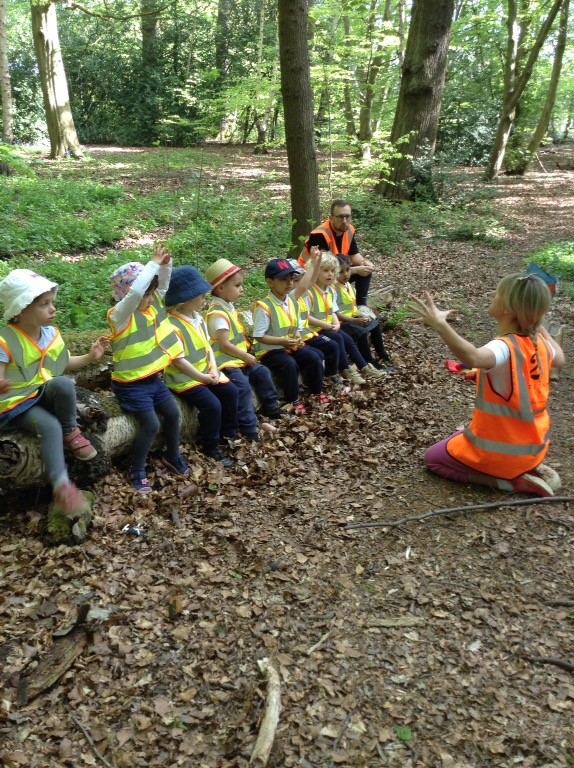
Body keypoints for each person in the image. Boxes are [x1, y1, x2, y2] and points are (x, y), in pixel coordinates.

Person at [409, 273, 565, 496]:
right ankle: (530, 466)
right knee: (461, 433)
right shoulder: (539, 343)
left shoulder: (503, 347)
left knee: (433, 459)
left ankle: (511, 482)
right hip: (533, 445)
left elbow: (474, 357)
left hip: (504, 451)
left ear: (510, 308)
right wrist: (536, 324)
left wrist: (439, 324)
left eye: (498, 293)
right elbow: (559, 358)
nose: (493, 295)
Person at [0, 269, 107, 517]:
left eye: (52, 303)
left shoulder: (50, 334)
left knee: (64, 384)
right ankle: (61, 486)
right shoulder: (6, 340)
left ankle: (71, 431)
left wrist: (90, 357)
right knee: (49, 427)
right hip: (16, 406)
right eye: (44, 304)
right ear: (22, 309)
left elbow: (64, 363)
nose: (53, 309)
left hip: (42, 394)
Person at [108, 244, 190, 494]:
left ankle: (172, 456)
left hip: (153, 380)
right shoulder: (120, 316)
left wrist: (165, 266)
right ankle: (138, 471)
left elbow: (161, 286)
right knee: (151, 424)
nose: (151, 299)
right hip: (130, 385)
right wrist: (152, 264)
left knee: (173, 414)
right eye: (146, 294)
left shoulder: (151, 307)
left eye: (151, 294)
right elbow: (135, 295)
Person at [163, 266, 239, 468]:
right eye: (200, 294)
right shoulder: (171, 325)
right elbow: (178, 360)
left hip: (205, 372)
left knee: (231, 392)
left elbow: (208, 349)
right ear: (184, 299)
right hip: (184, 378)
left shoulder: (199, 319)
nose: (205, 296)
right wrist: (202, 378)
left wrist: (213, 370)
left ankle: (229, 434)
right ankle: (210, 445)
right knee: (212, 405)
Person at [205, 258, 285, 438]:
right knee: (242, 389)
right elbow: (224, 345)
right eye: (237, 285)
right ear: (220, 288)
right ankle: (249, 429)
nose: (242, 289)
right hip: (227, 363)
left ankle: (272, 408)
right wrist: (246, 356)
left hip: (239, 359)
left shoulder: (229, 307)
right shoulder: (217, 313)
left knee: (262, 373)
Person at [252, 259, 330, 415]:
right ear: (270, 282)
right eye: (283, 279)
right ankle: (293, 399)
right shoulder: (264, 306)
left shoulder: (292, 301)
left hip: (289, 345)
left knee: (314, 357)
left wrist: (298, 337)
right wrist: (281, 341)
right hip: (270, 350)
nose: (288, 283)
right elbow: (259, 336)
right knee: (289, 364)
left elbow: (294, 326)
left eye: (291, 279)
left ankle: (316, 391)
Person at [307, 253, 385, 383]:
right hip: (314, 330)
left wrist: (336, 324)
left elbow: (332, 311)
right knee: (339, 338)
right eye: (326, 271)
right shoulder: (310, 291)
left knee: (347, 338)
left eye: (332, 271)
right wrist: (328, 325)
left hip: (329, 326)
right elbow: (305, 316)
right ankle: (347, 369)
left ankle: (365, 366)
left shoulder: (329, 290)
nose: (330, 274)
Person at [299, 199, 376, 306]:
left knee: (365, 272)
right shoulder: (320, 234)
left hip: (334, 272)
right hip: (310, 277)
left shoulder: (349, 230)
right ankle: (336, 309)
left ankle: (361, 307)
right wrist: (353, 270)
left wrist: (365, 262)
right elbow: (323, 269)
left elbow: (354, 255)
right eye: (340, 217)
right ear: (331, 218)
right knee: (350, 272)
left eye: (347, 216)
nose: (344, 221)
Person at [335, 255, 397, 372]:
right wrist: (354, 320)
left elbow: (352, 306)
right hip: (341, 322)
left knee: (374, 324)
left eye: (348, 270)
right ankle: (369, 362)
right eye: (341, 272)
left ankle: (382, 354)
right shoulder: (333, 288)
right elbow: (335, 313)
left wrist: (362, 315)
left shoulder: (347, 285)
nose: (346, 274)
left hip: (352, 317)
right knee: (361, 331)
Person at [287, 253, 341, 385]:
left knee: (335, 343)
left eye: (300, 279)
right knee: (322, 352)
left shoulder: (303, 294)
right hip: (298, 338)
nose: (300, 283)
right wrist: (315, 263)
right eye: (295, 281)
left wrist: (316, 262)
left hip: (307, 333)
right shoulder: (291, 297)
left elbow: (309, 281)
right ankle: (319, 385)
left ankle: (333, 374)